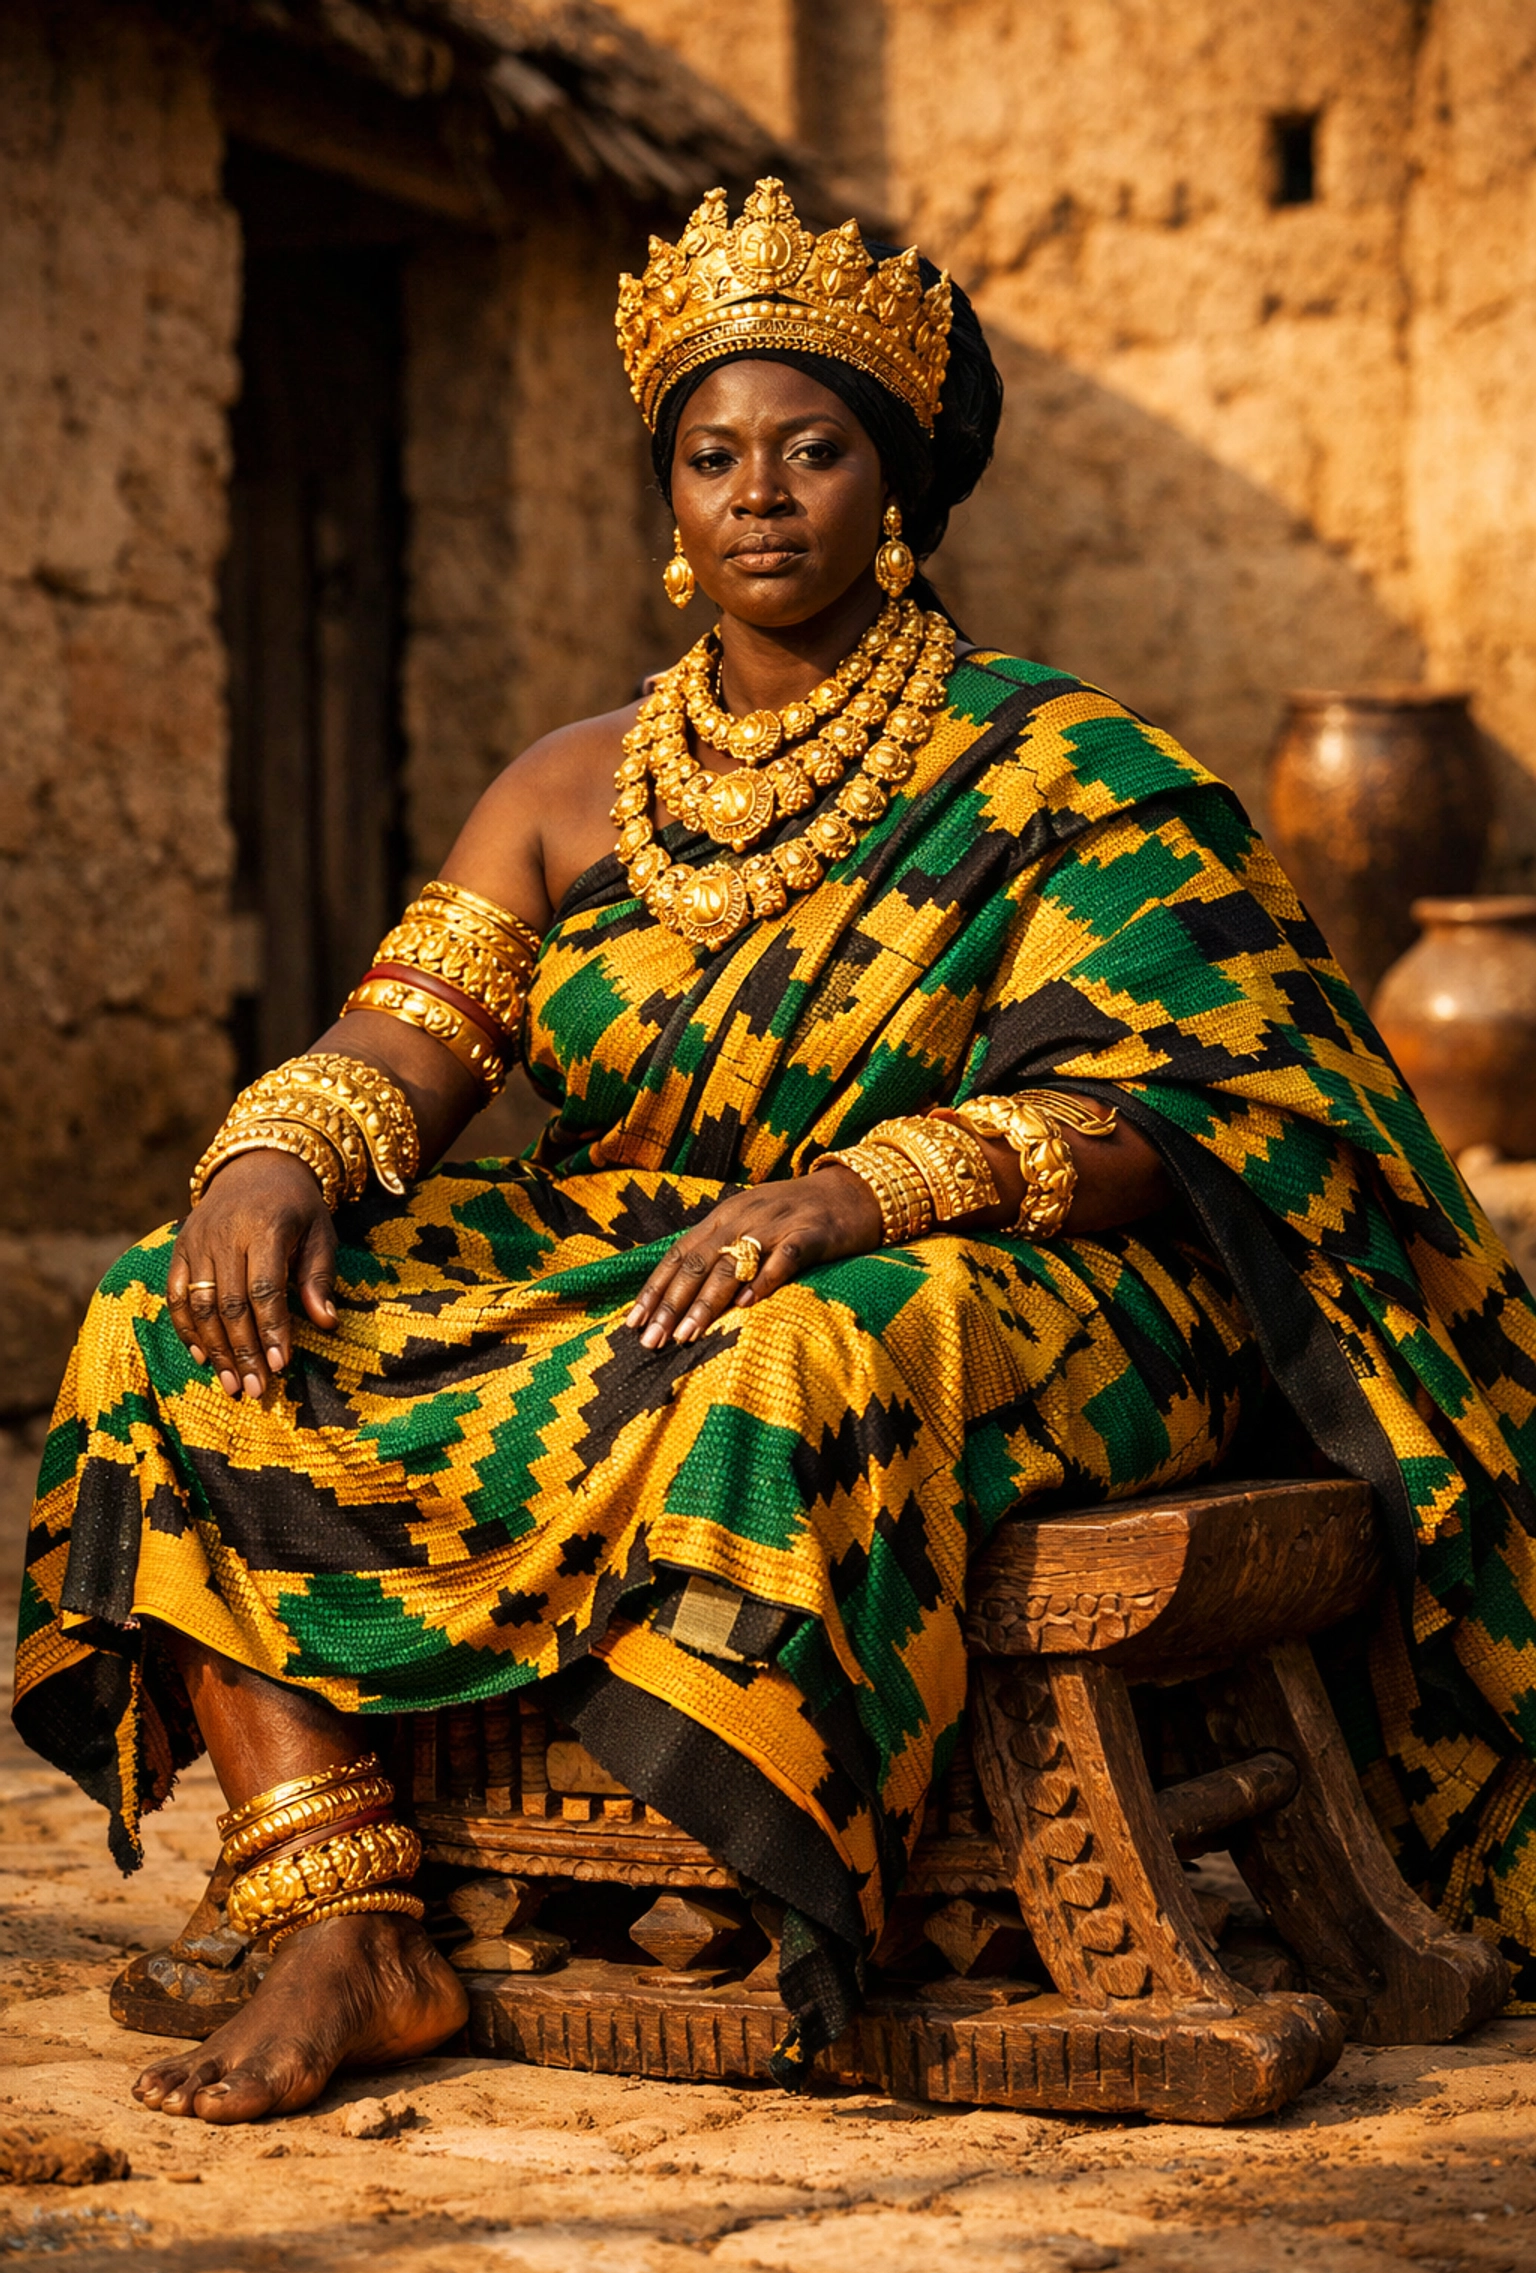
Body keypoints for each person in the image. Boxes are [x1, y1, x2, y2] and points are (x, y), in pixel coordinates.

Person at [15, 180, 1536, 2126]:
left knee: (795, 1348)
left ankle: (768, 1867)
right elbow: (404, 1043)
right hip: (652, 1254)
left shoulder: (1062, 763)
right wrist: (272, 1163)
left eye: (810, 449)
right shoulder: (568, 786)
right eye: (712, 454)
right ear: (669, 497)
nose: (758, 493)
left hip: (1030, 1272)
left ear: (890, 479)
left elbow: (1225, 1104)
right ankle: (347, 1913)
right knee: (165, 1310)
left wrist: (860, 1190)